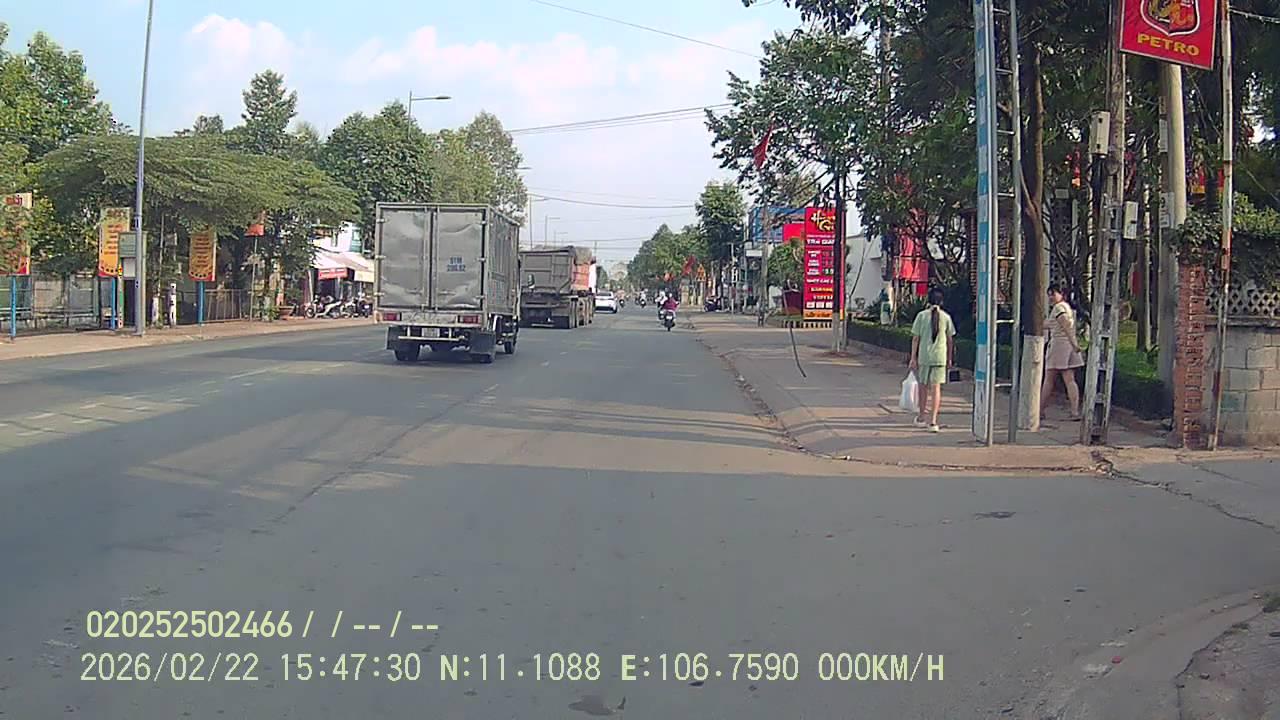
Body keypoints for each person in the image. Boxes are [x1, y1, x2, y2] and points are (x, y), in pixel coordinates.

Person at [909, 288, 956, 432]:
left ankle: (921, 417)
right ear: (942, 301)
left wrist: (913, 357)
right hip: (940, 357)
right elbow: (950, 340)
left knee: (923, 387)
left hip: (924, 356)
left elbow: (916, 338)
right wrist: (949, 358)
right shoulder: (946, 317)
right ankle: (933, 421)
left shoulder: (921, 316)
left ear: (928, 300)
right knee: (936, 389)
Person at [1041, 283, 1084, 420]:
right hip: (1067, 346)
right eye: (1049, 294)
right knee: (1069, 379)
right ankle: (1074, 411)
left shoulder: (1059, 308)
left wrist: (1075, 344)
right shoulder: (1065, 308)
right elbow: (1048, 324)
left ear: (1062, 294)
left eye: (1053, 294)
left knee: (1049, 379)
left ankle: (1039, 410)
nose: (1051, 297)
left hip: (1059, 346)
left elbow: (1066, 327)